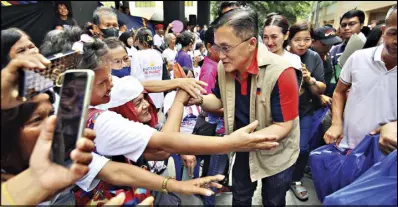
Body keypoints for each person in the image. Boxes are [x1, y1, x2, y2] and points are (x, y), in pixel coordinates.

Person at [190, 8, 301, 206]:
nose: (220, 55)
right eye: (216, 48)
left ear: (251, 44)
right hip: (242, 145)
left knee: (273, 200)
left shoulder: (282, 72)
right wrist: (197, 98)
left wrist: (234, 141)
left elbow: (284, 126)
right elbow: (218, 100)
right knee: (240, 195)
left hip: (276, 151)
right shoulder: (224, 67)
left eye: (226, 48)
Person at [324, 5, 397, 152]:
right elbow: (339, 92)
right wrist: (336, 123)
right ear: (383, 32)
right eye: (394, 33)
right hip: (347, 147)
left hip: (387, 157)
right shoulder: (358, 58)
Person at [288, 21, 326, 201]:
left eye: (307, 39)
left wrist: (309, 78)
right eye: (297, 40)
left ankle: (295, 180)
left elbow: (321, 88)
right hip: (281, 112)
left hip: (305, 110)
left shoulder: (314, 57)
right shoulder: (281, 56)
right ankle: (278, 179)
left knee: (303, 148)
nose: (302, 44)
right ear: (289, 39)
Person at [198, 25, 231, 206]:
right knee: (215, 170)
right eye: (222, 47)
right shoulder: (213, 69)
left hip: (219, 127)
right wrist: (233, 111)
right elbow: (210, 103)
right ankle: (209, 199)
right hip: (218, 128)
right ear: (211, 46)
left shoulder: (213, 64)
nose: (226, 52)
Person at [329, 10, 366, 94]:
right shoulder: (334, 50)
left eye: (352, 24)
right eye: (343, 25)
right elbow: (333, 77)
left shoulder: (369, 48)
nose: (346, 28)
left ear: (361, 25)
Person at [131, 27, 165, 110]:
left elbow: (136, 78)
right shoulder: (158, 53)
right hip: (158, 97)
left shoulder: (137, 55)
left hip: (145, 99)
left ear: (138, 40)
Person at [312, 25, 342, 98]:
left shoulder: (328, 55)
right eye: (324, 44)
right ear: (313, 41)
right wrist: (320, 97)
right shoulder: (306, 57)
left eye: (331, 44)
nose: (328, 47)